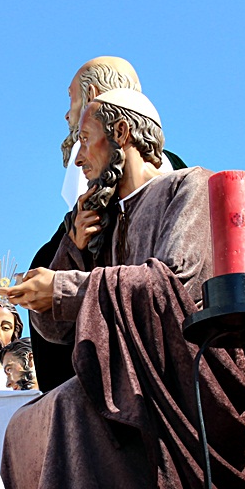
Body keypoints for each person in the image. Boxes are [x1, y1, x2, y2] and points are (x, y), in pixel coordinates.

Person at [0, 89, 245, 489]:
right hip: (132, 382)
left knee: (71, 406)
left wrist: (68, 286)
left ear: (121, 134)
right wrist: (73, 251)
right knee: (21, 424)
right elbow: (57, 333)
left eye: (85, 140)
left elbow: (171, 282)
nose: (78, 158)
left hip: (181, 383)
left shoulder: (189, 187)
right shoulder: (106, 219)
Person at [30, 57, 186, 393]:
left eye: (72, 98)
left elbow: (169, 284)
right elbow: (53, 326)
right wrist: (70, 251)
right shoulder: (97, 207)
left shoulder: (182, 186)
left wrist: (60, 285)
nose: (67, 115)